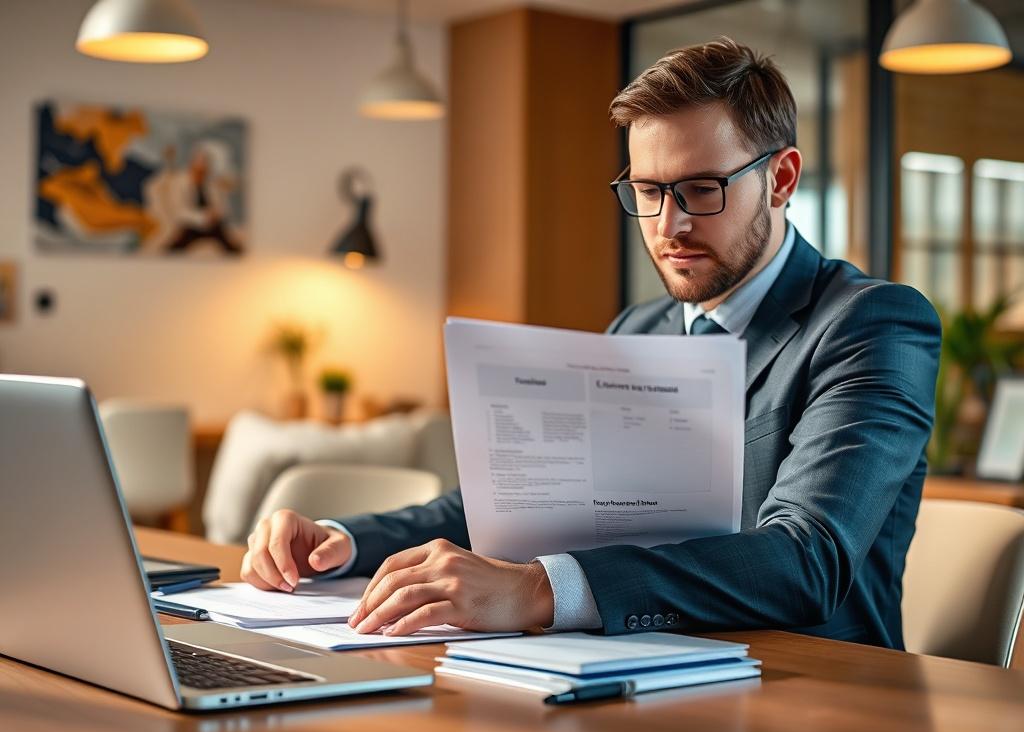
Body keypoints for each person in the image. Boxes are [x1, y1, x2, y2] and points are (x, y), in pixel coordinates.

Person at [241, 38, 940, 650]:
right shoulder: (638, 331)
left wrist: (541, 588)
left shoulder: (871, 324)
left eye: (701, 189)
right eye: (647, 190)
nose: (669, 226)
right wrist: (343, 541)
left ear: (781, 179)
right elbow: (511, 506)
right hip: (627, 673)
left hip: (816, 695)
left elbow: (804, 559)